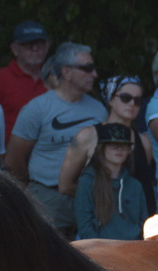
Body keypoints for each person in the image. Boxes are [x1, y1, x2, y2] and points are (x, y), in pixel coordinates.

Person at [6, 42, 107, 236]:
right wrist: (34, 192)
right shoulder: (37, 108)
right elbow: (14, 159)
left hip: (88, 197)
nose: (94, 74)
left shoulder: (99, 110)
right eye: (87, 68)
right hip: (47, 196)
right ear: (67, 72)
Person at [72, 123, 146, 240]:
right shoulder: (87, 181)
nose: (119, 149)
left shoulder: (135, 185)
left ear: (129, 151)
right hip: (98, 250)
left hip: (132, 250)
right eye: (113, 145)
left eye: (124, 145)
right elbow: (84, 226)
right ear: (102, 148)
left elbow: (144, 225)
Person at [0, 20, 49, 139]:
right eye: (28, 44)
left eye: (40, 43)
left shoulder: (57, 78)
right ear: (15, 49)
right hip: (9, 154)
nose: (35, 48)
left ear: (47, 47)